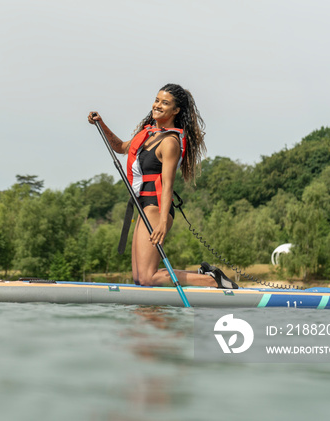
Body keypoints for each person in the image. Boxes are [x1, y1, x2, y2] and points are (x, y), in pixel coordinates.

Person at [88, 83, 237, 289]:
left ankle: (211, 281)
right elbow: (121, 147)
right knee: (140, 278)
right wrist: (101, 124)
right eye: (157, 100)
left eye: (164, 103)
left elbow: (167, 185)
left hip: (157, 208)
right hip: (143, 207)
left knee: (148, 278)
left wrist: (163, 223)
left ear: (176, 110)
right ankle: (206, 276)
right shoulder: (147, 134)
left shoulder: (170, 142)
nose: (157, 105)